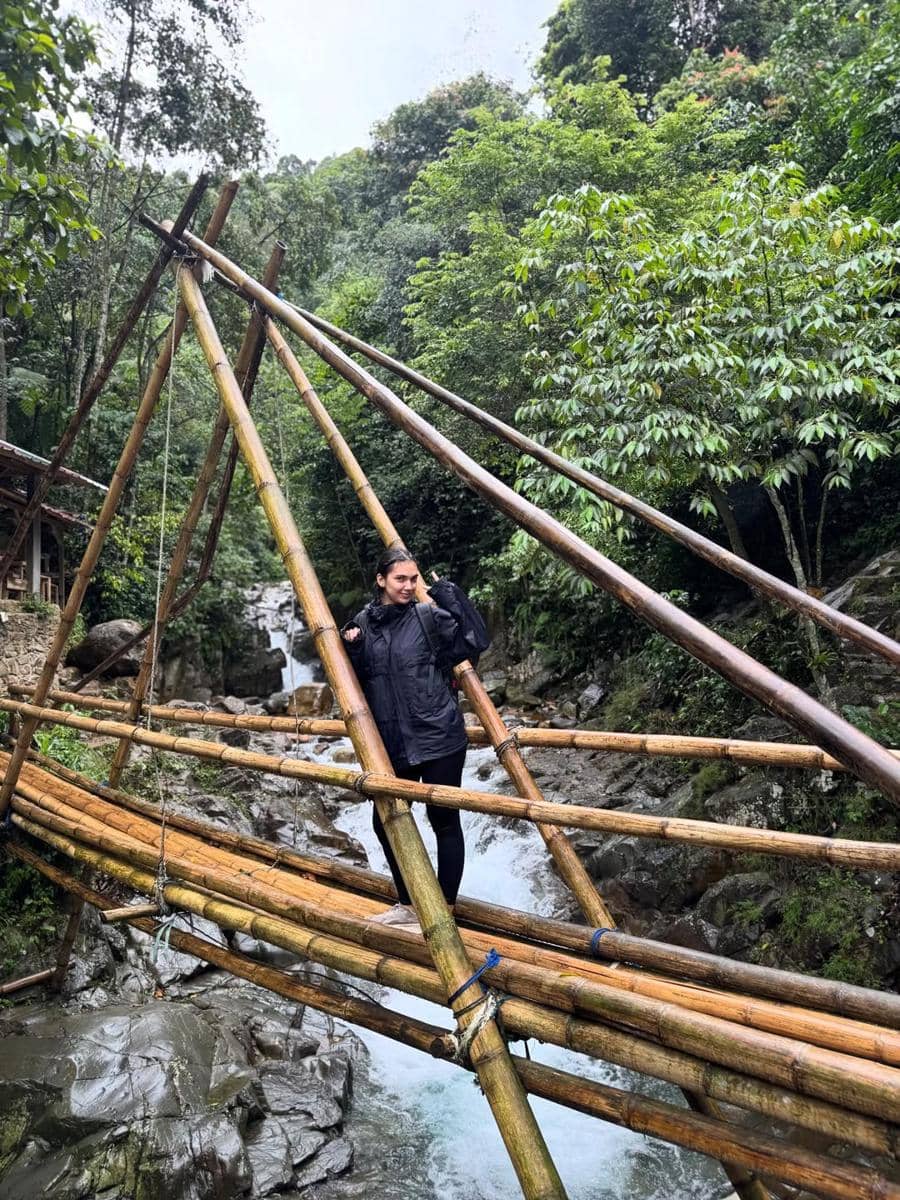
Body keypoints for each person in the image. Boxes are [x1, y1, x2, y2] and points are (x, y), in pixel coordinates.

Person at [341, 547, 489, 930]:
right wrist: (353, 648)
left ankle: (446, 907)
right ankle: (409, 903)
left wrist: (451, 598)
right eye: (400, 579)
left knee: (443, 819)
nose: (408, 586)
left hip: (439, 733)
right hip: (394, 739)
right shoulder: (362, 622)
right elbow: (361, 680)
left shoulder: (429, 617)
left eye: (413, 579)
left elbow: (475, 639)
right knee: (385, 820)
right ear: (381, 580)